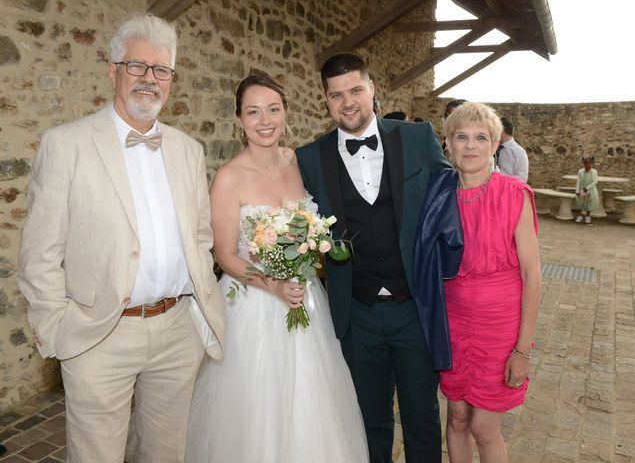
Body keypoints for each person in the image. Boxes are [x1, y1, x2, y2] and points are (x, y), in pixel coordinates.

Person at [18, 14, 225, 463]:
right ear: (113, 70)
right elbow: (39, 254)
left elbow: (201, 237)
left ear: (171, 79)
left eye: (161, 70)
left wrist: (197, 309)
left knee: (165, 454)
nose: (149, 79)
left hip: (176, 332)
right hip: (99, 335)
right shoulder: (65, 144)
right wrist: (57, 328)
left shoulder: (189, 151)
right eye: (137, 66)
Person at [185, 74, 368, 463]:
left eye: (273, 109)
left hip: (306, 301)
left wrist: (313, 253)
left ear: (285, 113)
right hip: (254, 305)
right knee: (257, 408)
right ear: (239, 119)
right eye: (253, 112)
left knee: (313, 402)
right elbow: (225, 256)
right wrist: (273, 286)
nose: (264, 120)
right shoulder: (229, 178)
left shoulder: (296, 161)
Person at [296, 52, 453, 463]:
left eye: (355, 90)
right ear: (325, 101)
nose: (347, 102)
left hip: (414, 309)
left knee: (422, 417)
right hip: (355, 314)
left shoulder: (418, 138)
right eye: (336, 95)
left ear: (372, 89)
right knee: (368, 420)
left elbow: (452, 204)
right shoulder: (309, 158)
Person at [417, 102, 541, 463]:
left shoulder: (514, 194)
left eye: (480, 138)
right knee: (455, 419)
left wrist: (522, 351)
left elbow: (532, 276)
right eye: (461, 137)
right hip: (452, 322)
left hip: (500, 328)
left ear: (494, 145)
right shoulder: (438, 195)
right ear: (449, 145)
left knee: (485, 429)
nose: (470, 146)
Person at [495, 116, 529, 182]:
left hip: (508, 190)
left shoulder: (519, 152)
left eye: (495, 130)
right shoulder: (492, 148)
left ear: (501, 130)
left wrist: (500, 180)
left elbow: (522, 178)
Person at [575, 156, 599, 223]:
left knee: (589, 202)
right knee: (580, 202)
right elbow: (578, 181)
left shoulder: (594, 172)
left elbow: (595, 181)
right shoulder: (580, 171)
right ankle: (579, 215)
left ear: (591, 164)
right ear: (583, 164)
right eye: (585, 163)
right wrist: (577, 190)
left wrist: (587, 187)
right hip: (582, 189)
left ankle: (588, 216)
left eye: (589, 163)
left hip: (590, 189)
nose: (587, 165)